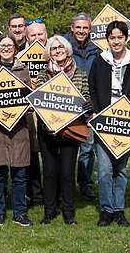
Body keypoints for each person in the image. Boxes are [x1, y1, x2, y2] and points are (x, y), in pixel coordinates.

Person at [88, 21, 130, 227]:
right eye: (112, 38)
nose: (116, 41)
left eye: (120, 37)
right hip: (104, 124)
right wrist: (95, 112)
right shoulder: (99, 62)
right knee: (104, 170)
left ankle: (119, 210)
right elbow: (92, 90)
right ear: (107, 39)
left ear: (125, 39)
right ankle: (106, 210)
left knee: (121, 170)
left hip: (126, 126)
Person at [36, 35, 91, 225]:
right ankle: (49, 211)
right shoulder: (43, 74)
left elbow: (85, 96)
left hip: (71, 128)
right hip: (48, 129)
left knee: (67, 172)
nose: (58, 51)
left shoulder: (80, 73)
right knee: (49, 171)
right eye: (53, 48)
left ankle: (69, 212)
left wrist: (87, 104)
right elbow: (41, 101)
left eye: (61, 47)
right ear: (49, 53)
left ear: (67, 50)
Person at [0, 32, 33, 227]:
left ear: (16, 48)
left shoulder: (24, 71)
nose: (6, 48)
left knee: (19, 174)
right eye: (3, 45)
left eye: (10, 45)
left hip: (18, 129)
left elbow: (28, 98)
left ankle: (20, 213)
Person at [65, 12, 99, 200]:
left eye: (85, 28)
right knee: (67, 148)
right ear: (72, 28)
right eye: (78, 27)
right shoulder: (63, 47)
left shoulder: (97, 51)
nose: (81, 31)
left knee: (88, 148)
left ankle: (85, 184)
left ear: (90, 30)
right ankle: (65, 183)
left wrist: (94, 102)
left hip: (88, 108)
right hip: (67, 107)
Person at [23, 19, 47, 207]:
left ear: (46, 35)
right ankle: (35, 194)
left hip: (50, 112)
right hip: (29, 113)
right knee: (31, 154)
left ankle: (53, 193)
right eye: (33, 35)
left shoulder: (55, 55)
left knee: (50, 153)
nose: (37, 38)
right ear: (26, 37)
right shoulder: (20, 57)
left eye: (40, 34)